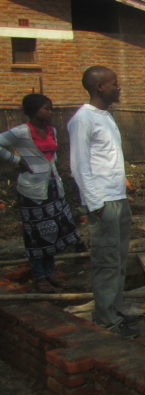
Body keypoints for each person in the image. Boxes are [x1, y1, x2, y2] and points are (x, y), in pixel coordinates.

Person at [68, 66, 136, 337]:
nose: (118, 87)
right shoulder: (83, 119)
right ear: (100, 87)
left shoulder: (105, 116)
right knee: (106, 262)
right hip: (103, 202)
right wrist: (95, 203)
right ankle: (106, 320)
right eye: (114, 83)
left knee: (118, 260)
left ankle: (115, 310)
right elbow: (78, 164)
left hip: (118, 197)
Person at [0, 94, 81, 293]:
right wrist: (16, 160)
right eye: (47, 108)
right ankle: (39, 276)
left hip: (53, 187)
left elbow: (51, 157)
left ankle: (50, 272)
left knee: (51, 231)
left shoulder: (52, 131)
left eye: (51, 108)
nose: (50, 112)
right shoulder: (21, 132)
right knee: (36, 234)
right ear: (34, 111)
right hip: (32, 191)